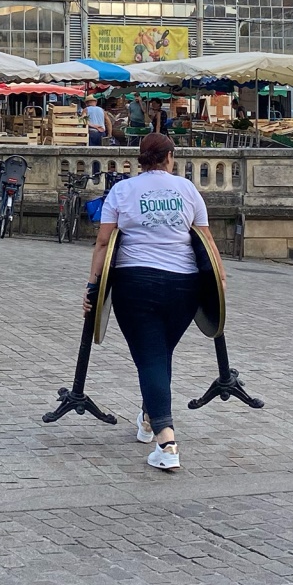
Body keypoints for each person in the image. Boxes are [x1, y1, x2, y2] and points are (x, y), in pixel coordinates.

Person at [86, 132, 218, 473]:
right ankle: (148, 418)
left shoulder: (122, 191)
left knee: (150, 357)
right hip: (184, 285)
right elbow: (206, 241)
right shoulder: (187, 190)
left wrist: (92, 289)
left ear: (140, 158)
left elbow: (103, 243)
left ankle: (166, 440)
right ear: (170, 157)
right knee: (159, 354)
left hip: (136, 283)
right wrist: (220, 285)